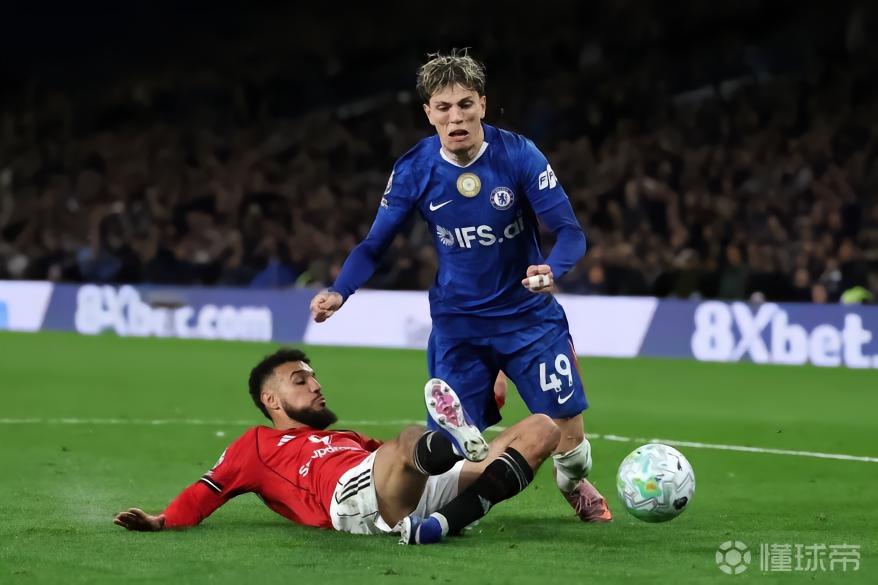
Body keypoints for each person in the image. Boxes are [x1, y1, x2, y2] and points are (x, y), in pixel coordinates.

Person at [309, 50, 611, 521]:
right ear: (428, 113)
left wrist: (552, 268)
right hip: (459, 324)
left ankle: (571, 481)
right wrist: (339, 291)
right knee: (445, 450)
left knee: (571, 446)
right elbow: (374, 245)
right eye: (444, 108)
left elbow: (570, 232)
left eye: (466, 105)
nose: (456, 118)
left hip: (528, 318)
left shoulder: (519, 155)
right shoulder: (414, 169)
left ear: (482, 105)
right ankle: (444, 467)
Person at [113, 348, 561, 545]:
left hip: (395, 483)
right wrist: (162, 520)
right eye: (300, 380)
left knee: (542, 429)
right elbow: (207, 489)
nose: (316, 385)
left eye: (314, 377)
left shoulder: (343, 437)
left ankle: (441, 522)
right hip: (348, 498)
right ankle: (452, 442)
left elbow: (391, 463)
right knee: (408, 441)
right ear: (271, 401)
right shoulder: (257, 445)